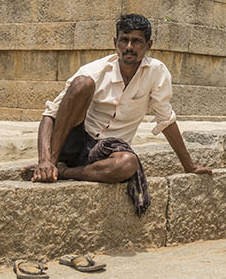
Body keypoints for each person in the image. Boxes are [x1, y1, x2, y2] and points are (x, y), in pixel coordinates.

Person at [29, 13, 212, 215]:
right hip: (73, 142)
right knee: (82, 84)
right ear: (115, 42)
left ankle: (63, 172)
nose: (129, 47)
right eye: (124, 40)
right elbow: (50, 115)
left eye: (137, 42)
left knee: (128, 163)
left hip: (105, 152)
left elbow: (166, 120)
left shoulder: (156, 73)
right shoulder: (96, 70)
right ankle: (53, 165)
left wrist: (190, 166)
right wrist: (45, 160)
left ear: (148, 45)